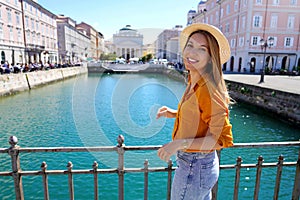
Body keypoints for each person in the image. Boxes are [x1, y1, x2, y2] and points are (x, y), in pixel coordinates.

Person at [156, 23, 234, 200]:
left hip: (195, 166)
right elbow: (199, 115)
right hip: (197, 165)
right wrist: (175, 113)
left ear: (211, 57)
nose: (191, 52)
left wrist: (178, 143)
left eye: (202, 49)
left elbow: (221, 140)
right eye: (190, 45)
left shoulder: (208, 89)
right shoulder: (195, 81)